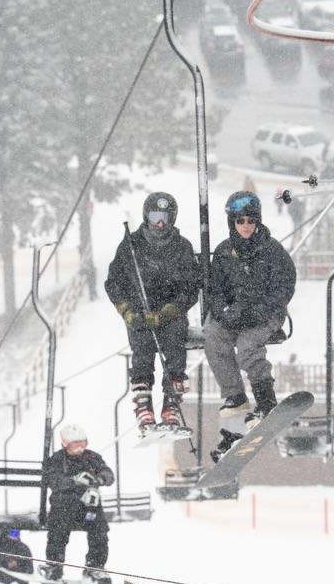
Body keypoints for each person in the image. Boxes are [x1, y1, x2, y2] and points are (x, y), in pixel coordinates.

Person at [204, 191, 296, 451]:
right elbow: (216, 289)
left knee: (247, 347)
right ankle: (234, 395)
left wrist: (260, 311)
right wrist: (224, 311)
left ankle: (266, 400)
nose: (246, 226)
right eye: (240, 221)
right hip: (234, 312)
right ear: (232, 222)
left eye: (250, 221)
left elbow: (284, 286)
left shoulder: (271, 251)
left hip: (264, 313)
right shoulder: (224, 252)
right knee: (213, 335)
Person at [103, 192, 201, 433]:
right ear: (147, 216)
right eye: (156, 217)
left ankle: (171, 404)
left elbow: (191, 286)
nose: (160, 224)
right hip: (140, 310)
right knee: (142, 349)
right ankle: (143, 405)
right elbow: (114, 282)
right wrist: (126, 310)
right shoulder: (131, 245)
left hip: (170, 313)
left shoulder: (182, 246)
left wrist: (172, 309)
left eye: (165, 218)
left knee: (175, 349)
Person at [39, 423, 114, 584]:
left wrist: (99, 479)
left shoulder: (92, 458)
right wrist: (74, 481)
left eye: (83, 444)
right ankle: (54, 565)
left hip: (87, 507)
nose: (80, 449)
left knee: (99, 530)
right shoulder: (57, 460)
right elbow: (53, 480)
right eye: (75, 445)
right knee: (58, 529)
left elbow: (108, 474)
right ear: (65, 444)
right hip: (64, 507)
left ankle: (95, 567)